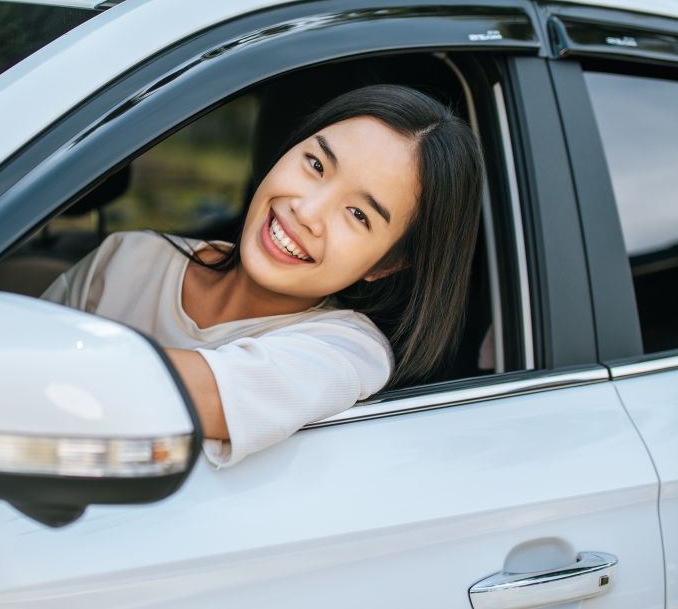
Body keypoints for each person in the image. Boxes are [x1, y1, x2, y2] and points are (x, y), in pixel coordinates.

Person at [41, 84, 483, 468]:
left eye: (357, 214)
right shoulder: (129, 258)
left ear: (385, 264)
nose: (306, 211)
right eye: (315, 165)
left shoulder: (347, 352)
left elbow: (182, 393)